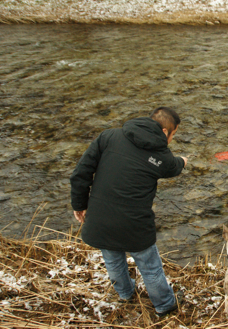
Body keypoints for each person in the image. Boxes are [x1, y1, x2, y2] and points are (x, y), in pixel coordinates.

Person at [70, 107, 188, 317]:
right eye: (173, 134)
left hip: (100, 217)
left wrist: (79, 205)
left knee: (113, 257)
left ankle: (125, 294)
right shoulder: (162, 156)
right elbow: (173, 166)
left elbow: (81, 172)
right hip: (134, 224)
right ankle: (165, 304)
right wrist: (184, 161)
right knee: (149, 266)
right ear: (164, 132)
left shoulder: (108, 136)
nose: (171, 140)